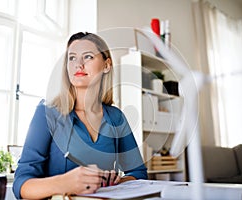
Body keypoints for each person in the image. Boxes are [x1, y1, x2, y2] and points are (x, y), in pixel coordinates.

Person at [13, 32, 148, 199]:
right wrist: (64, 183)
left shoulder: (116, 117)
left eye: (88, 57)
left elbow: (139, 172)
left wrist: (119, 180)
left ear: (106, 65)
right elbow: (20, 184)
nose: (78, 64)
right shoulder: (47, 112)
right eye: (72, 58)